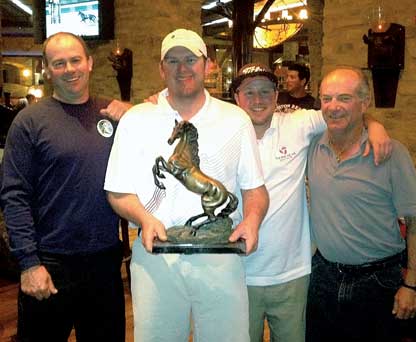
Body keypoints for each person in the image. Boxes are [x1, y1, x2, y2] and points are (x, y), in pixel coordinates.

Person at [104, 28, 269, 342]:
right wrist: (144, 219)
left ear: (207, 66)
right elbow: (117, 190)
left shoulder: (235, 119)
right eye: (173, 60)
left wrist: (252, 220)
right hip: (156, 258)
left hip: (220, 259)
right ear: (161, 68)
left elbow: (254, 188)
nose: (182, 68)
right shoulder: (137, 119)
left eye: (191, 59)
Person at [230, 63, 392, 342]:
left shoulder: (298, 123)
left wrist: (375, 125)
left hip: (292, 273)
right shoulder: (223, 134)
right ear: (236, 97)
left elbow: (342, 112)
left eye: (266, 91)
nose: (258, 100)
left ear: (277, 94)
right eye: (249, 92)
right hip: (236, 272)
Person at [0, 32, 132, 342]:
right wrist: (29, 263)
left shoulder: (112, 114)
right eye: (59, 63)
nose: (69, 69)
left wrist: (135, 109)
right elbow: (14, 196)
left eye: (75, 60)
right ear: (47, 70)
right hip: (49, 264)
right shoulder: (29, 121)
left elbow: (159, 126)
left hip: (104, 263)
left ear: (89, 63)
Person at [306, 67, 416, 342]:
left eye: (344, 98)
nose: (333, 107)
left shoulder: (391, 153)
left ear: (365, 102)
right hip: (323, 277)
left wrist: (413, 284)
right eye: (326, 99)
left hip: (378, 282)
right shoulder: (312, 146)